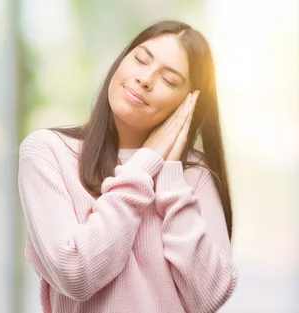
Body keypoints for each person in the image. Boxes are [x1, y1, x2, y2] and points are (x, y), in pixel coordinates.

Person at [17, 20, 237, 313]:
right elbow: (75, 275)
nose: (145, 79)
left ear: (187, 104)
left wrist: (170, 175)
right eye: (141, 59)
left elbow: (208, 297)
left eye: (169, 80)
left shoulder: (194, 176)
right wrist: (145, 164)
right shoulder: (48, 151)